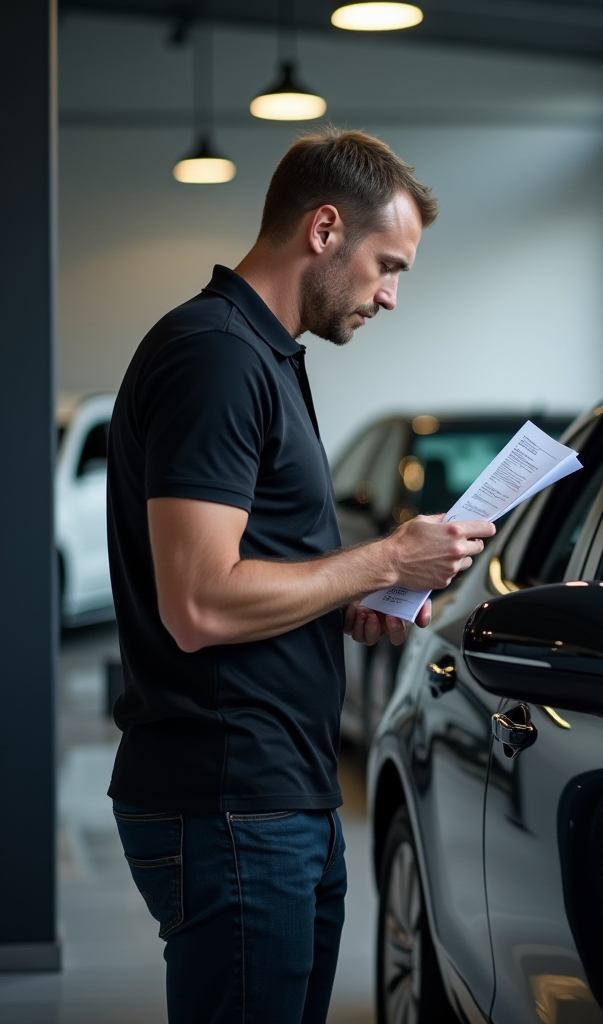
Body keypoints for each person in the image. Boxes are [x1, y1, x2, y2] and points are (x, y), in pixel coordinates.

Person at [105, 127, 495, 1024]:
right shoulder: (218, 357)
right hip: (233, 803)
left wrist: (350, 595)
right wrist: (388, 557)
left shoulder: (267, 356)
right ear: (324, 229)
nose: (392, 296)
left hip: (281, 796)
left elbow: (257, 570)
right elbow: (198, 603)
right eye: (386, 265)